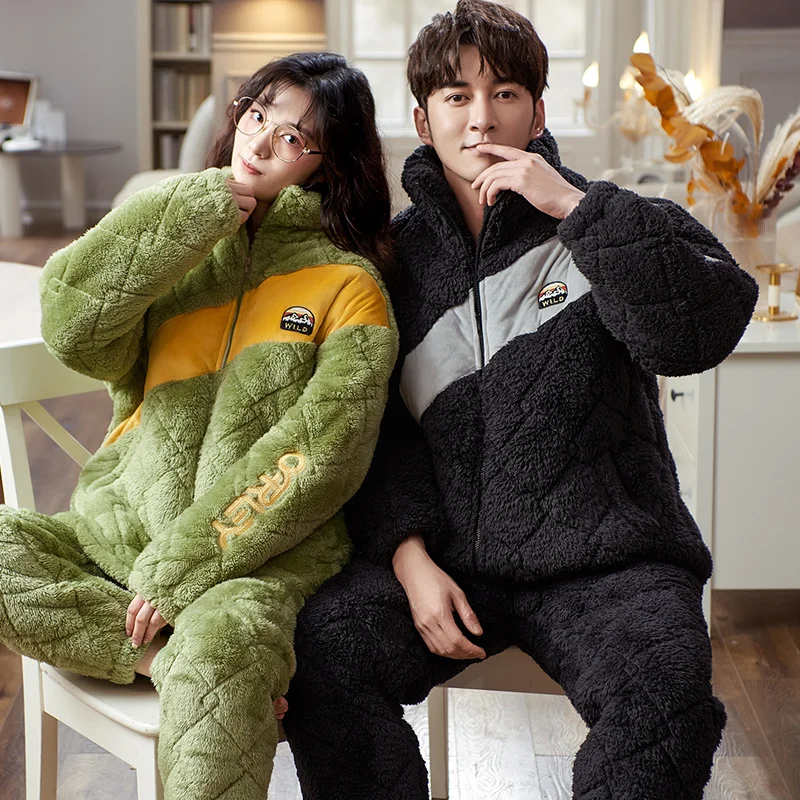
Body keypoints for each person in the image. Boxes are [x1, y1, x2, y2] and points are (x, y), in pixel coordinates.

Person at [282, 4, 758, 799]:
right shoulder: (386, 265)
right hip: (450, 568)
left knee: (665, 695)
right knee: (322, 649)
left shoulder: (604, 218)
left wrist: (575, 209)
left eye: (504, 93)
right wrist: (409, 560)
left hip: (608, 562)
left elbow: (696, 334)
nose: (481, 118)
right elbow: (370, 434)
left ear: (537, 113)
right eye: (456, 97)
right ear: (423, 120)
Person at [0, 52, 398, 800]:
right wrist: (187, 211)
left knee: (219, 658)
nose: (261, 142)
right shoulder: (181, 250)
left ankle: (192, 663)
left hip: (252, 565)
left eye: (294, 137)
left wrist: (184, 570)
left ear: (328, 164)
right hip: (115, 535)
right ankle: (156, 658)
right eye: (257, 115)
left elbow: (325, 452)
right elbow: (71, 326)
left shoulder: (350, 285)